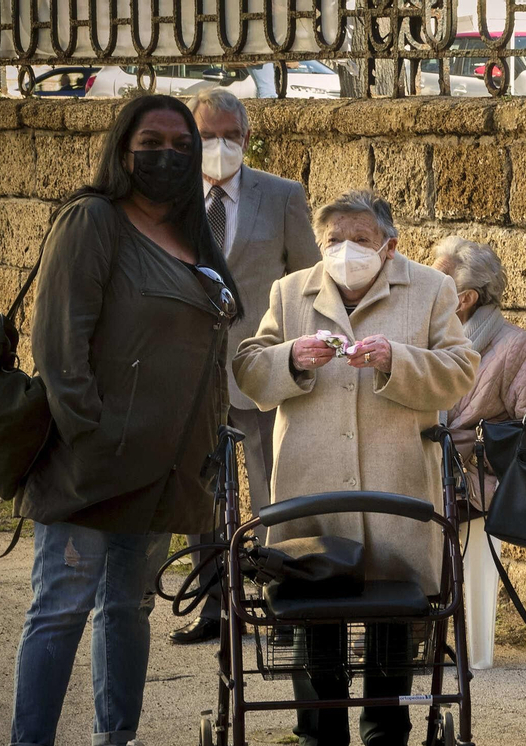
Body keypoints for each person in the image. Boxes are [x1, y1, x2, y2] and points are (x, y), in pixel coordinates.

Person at [3, 95, 239, 746]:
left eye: (180, 142)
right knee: (61, 606)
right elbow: (59, 345)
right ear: (122, 145)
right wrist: (92, 436)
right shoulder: (93, 220)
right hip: (92, 461)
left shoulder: (194, 238)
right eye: (152, 139)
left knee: (129, 608)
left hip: (169, 467)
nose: (166, 153)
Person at [233, 190, 477, 746]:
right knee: (317, 617)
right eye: (334, 240)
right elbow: (247, 366)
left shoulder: (429, 290)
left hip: (397, 482)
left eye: (361, 240)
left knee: (394, 616)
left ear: (389, 244)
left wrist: (397, 359)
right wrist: (293, 357)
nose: (346, 252)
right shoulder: (292, 292)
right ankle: (317, 745)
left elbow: (460, 370)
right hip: (311, 483)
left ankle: (388, 743)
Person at [169, 86, 321, 645]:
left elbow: (310, 280)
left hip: (259, 369)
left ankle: (280, 603)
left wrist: (300, 356)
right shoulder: (166, 195)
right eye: (208, 135)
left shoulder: (281, 195)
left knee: (270, 488)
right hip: (188, 370)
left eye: (231, 135)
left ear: (248, 138)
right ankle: (213, 605)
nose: (220, 145)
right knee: (201, 493)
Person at [435, 237, 526, 671]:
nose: (427, 282)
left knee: (418, 509)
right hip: (428, 467)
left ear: (465, 298)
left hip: (478, 479)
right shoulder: (427, 337)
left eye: (439, 276)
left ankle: (418, 629)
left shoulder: (515, 346)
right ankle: (398, 624)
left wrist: (472, 449)